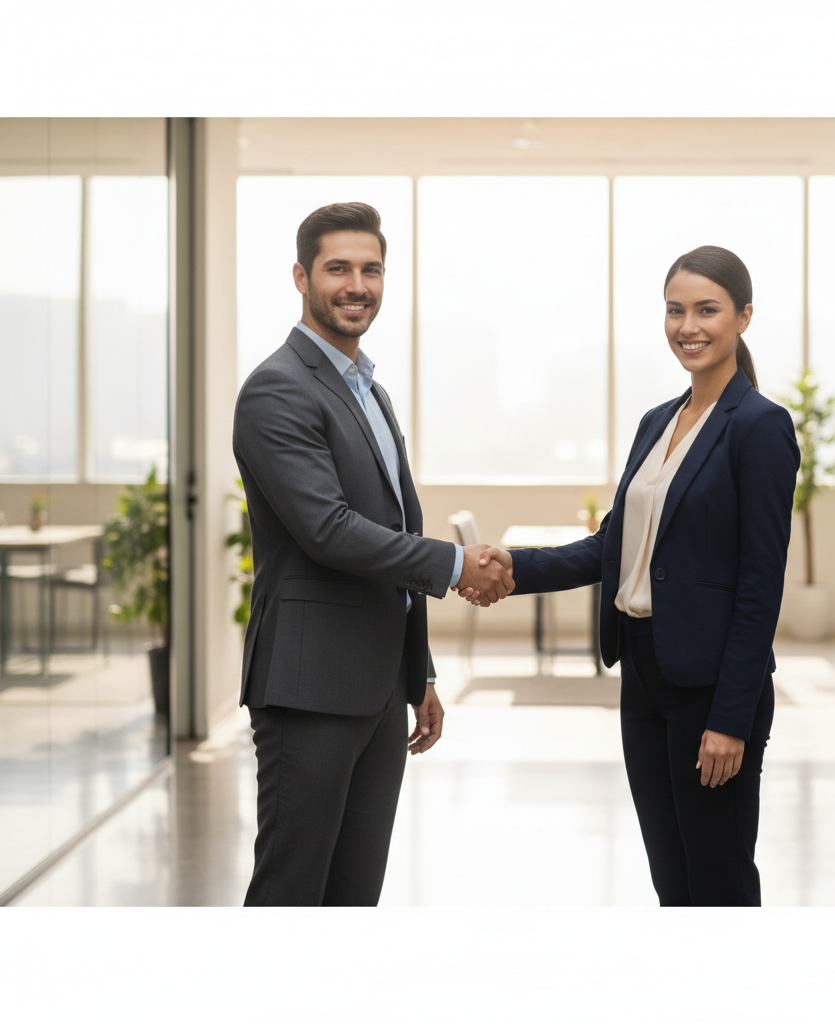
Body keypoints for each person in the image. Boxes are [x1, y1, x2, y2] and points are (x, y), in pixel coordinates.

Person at [462, 246, 799, 906]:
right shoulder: (658, 421)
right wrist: (512, 568)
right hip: (644, 676)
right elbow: (611, 548)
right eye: (675, 310)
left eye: (707, 310)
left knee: (719, 876)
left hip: (711, 688)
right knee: (671, 875)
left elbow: (762, 583)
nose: (688, 326)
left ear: (743, 318)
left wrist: (731, 719)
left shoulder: (760, 427)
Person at [233, 201, 514, 906]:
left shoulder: (370, 392)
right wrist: (455, 566)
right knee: (292, 890)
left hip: (379, 691)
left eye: (371, 269)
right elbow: (328, 529)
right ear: (301, 276)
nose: (357, 285)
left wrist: (416, 672)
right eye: (338, 268)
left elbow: (390, 525)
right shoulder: (277, 389)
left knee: (356, 894)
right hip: (309, 689)